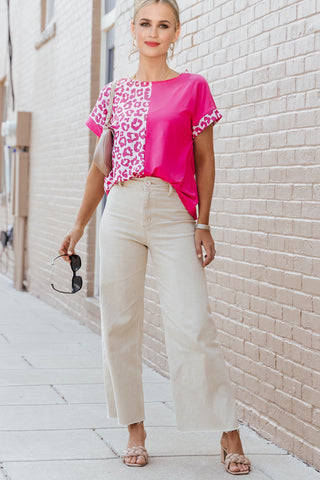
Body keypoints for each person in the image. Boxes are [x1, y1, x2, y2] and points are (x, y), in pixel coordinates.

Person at [59, 0, 251, 474]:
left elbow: (205, 161)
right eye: (146, 23)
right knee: (118, 324)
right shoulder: (114, 93)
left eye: (163, 25)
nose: (153, 31)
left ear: (176, 33)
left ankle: (227, 431)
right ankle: (134, 428)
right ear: (132, 29)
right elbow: (100, 167)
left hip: (171, 213)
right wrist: (79, 225)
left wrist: (204, 222)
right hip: (120, 211)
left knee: (192, 324)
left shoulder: (192, 87)